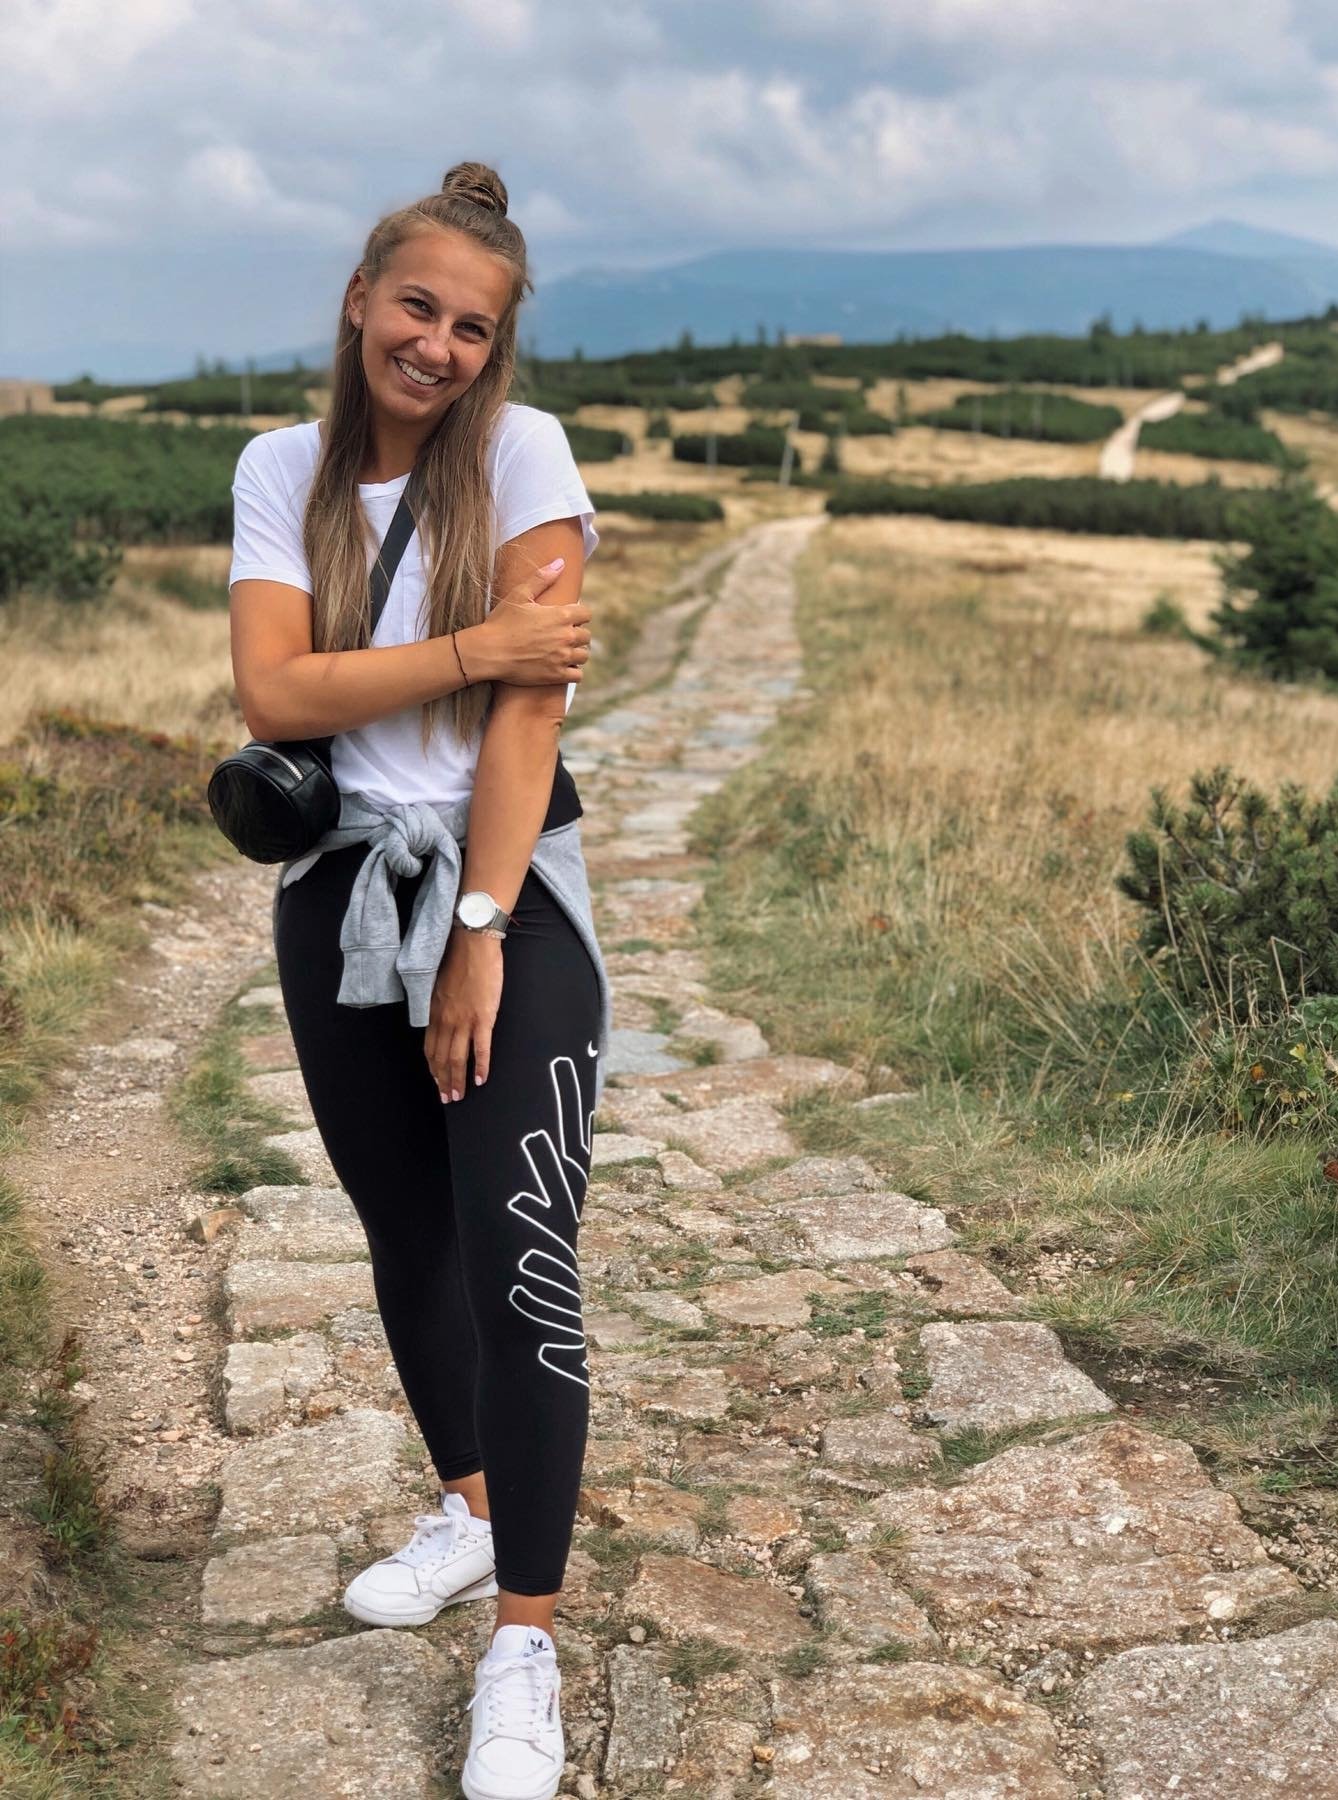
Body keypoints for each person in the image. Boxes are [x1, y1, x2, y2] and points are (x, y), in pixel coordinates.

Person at [226, 159, 611, 1800]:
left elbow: (531, 716)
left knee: (520, 1256)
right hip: (336, 893)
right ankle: (469, 1510)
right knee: (406, 1231)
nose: (437, 346)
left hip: (504, 889)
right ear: (359, 301)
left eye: (471, 328)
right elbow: (273, 691)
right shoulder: (281, 469)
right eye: (416, 307)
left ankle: (525, 1641)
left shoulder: (523, 456)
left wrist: (482, 933)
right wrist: (470, 647)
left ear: (496, 350)